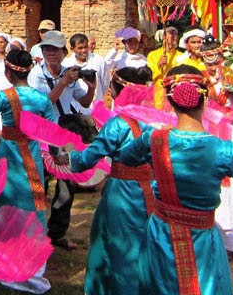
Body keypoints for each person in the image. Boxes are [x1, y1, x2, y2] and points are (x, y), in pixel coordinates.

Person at [120, 66, 233, 295]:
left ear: (171, 102)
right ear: (205, 100)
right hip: (201, 238)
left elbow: (126, 157)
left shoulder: (154, 140)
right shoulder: (224, 150)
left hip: (161, 232)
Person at [0, 49, 57, 294]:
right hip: (32, 157)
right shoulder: (41, 99)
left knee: (6, 203)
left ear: (7, 72)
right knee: (32, 204)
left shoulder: (3, 97)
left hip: (8, 157)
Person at [65, 65, 156, 295]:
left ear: (117, 91)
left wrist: (68, 158)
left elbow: (89, 158)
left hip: (122, 192)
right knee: (146, 245)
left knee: (115, 246)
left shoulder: (118, 124)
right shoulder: (154, 121)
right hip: (151, 192)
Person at [27, 30, 95, 251]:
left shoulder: (69, 73)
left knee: (68, 183)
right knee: (40, 183)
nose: (50, 53)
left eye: (55, 49)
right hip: (43, 134)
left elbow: (83, 102)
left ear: (64, 52)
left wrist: (91, 87)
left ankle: (57, 232)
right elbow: (42, 105)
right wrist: (63, 82)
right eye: (47, 48)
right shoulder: (35, 75)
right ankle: (35, 231)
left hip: (65, 135)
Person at [200, 40, 233, 255]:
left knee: (232, 182)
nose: (212, 66)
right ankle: (211, 236)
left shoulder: (232, 75)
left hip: (230, 131)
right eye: (206, 60)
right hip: (206, 131)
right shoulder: (199, 77)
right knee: (208, 181)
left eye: (215, 60)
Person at [64, 32, 109, 111]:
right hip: (75, 111)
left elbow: (105, 84)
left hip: (96, 108)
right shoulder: (66, 64)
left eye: (85, 47)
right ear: (72, 49)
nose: (84, 50)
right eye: (80, 48)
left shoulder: (99, 61)